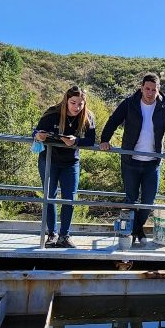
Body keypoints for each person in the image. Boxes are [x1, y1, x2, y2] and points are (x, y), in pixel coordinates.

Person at [100, 73, 165, 245]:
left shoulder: (164, 107)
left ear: (158, 90)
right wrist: (105, 140)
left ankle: (136, 229)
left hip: (152, 163)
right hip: (130, 161)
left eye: (153, 90)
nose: (150, 92)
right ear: (141, 88)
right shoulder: (129, 103)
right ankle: (136, 232)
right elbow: (113, 121)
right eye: (147, 89)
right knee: (131, 199)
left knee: (148, 201)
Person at [33, 85, 95, 248]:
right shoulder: (52, 113)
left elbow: (91, 140)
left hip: (71, 163)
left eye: (80, 104)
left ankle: (64, 236)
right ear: (66, 101)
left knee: (69, 199)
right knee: (50, 197)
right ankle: (52, 234)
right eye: (73, 103)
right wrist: (39, 135)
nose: (76, 107)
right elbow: (35, 132)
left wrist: (76, 141)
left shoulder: (87, 117)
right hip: (49, 160)